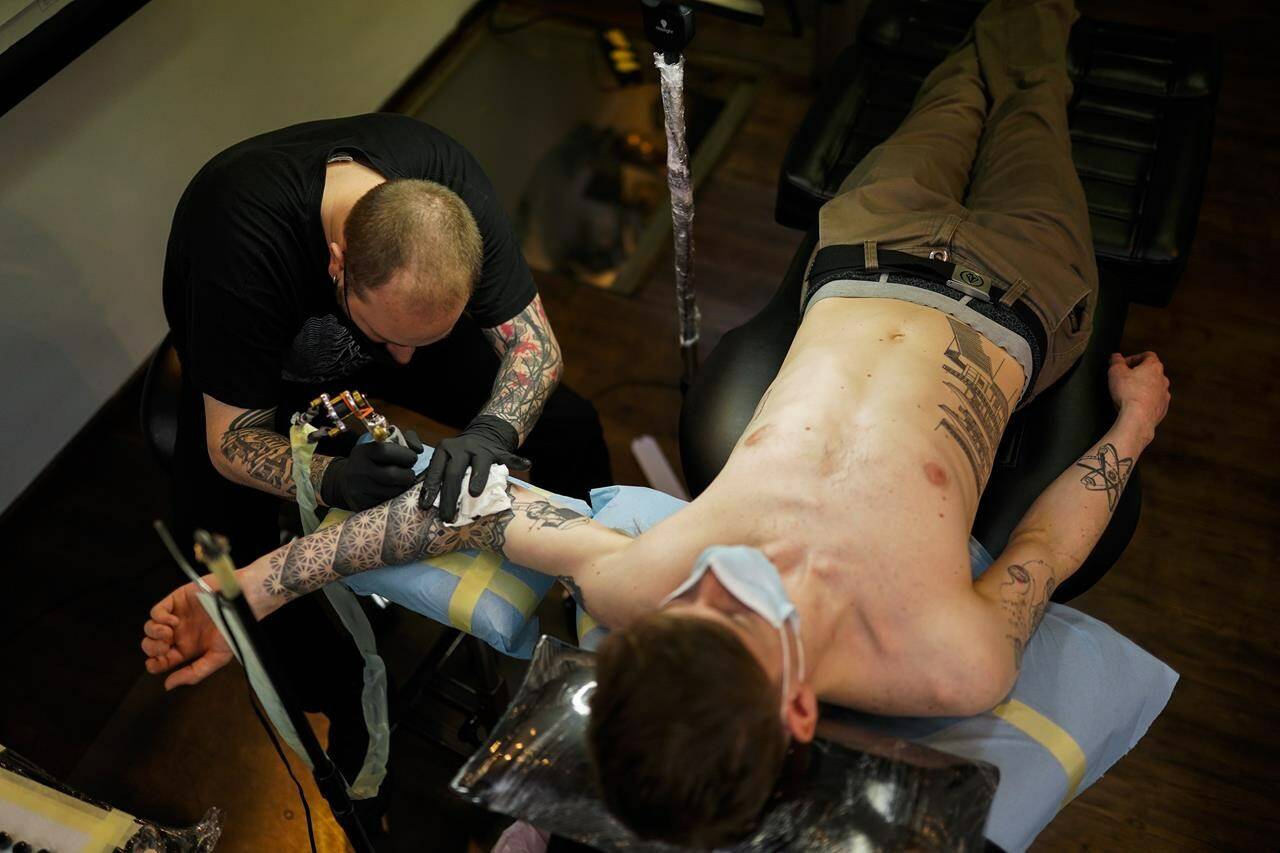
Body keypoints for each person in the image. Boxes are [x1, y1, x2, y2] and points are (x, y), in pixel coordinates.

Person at [143, 2, 1171, 847]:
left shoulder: (652, 575)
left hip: (860, 250)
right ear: (801, 713)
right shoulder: (947, 661)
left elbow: (451, 510)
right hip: (1018, 292)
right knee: (1032, 85)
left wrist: (246, 589)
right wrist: (1130, 425)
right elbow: (1040, 545)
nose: (711, 593)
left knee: (954, 83)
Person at [161, 113, 611, 803]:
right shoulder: (242, 242)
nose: (403, 363)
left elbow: (536, 349)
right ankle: (347, 702)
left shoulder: (448, 194)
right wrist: (326, 473)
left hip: (387, 311)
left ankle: (583, 594)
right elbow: (228, 438)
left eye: (423, 339)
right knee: (219, 551)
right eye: (390, 338)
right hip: (259, 384)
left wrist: (493, 431)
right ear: (338, 261)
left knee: (569, 423)